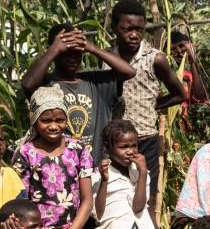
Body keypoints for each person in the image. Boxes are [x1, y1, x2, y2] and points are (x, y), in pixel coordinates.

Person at [14, 86, 95, 229]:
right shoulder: (26, 153)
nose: (53, 126)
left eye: (59, 120)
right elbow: (22, 203)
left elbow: (87, 202)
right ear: (34, 120)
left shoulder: (78, 150)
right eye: (46, 120)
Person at [109, 0, 187, 213]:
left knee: (147, 194)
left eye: (139, 30)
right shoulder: (107, 58)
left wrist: (152, 105)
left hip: (145, 138)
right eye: (127, 29)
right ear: (115, 28)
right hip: (115, 142)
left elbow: (180, 94)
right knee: (117, 192)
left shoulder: (155, 59)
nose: (134, 35)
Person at [20, 23, 136, 153]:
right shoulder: (45, 84)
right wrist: (53, 50)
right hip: (60, 166)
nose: (72, 58)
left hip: (95, 167)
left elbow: (129, 72)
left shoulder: (95, 81)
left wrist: (92, 48)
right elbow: (27, 84)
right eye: (66, 52)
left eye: (77, 52)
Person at [91, 119, 159, 229]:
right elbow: (98, 214)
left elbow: (138, 206)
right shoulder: (99, 175)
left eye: (133, 146)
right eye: (123, 147)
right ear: (107, 148)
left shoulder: (141, 172)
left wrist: (142, 173)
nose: (130, 151)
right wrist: (105, 181)